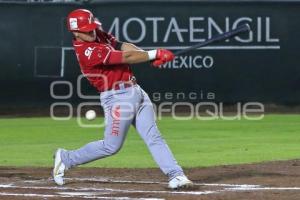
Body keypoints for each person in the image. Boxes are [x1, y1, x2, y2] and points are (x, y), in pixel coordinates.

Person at [53, 8, 193, 189]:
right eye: (86, 30)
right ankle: (66, 158)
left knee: (153, 136)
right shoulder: (86, 51)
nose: (91, 31)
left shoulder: (98, 34)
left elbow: (122, 46)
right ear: (75, 32)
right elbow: (125, 57)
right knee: (111, 146)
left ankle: (176, 175)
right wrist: (153, 54)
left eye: (92, 27)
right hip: (117, 98)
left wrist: (146, 55)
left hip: (136, 91)